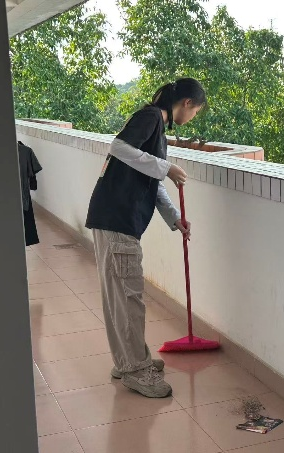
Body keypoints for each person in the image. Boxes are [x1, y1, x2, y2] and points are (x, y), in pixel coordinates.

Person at [85, 78, 206, 398]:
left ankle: (128, 360)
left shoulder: (156, 125)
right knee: (129, 297)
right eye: (196, 111)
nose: (193, 117)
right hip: (118, 219)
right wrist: (166, 166)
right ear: (187, 103)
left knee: (120, 296)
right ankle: (136, 370)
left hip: (112, 217)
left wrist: (174, 218)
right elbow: (118, 147)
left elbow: (150, 181)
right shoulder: (151, 117)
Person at [17, 140, 42, 246]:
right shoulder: (25, 152)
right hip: (23, 196)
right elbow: (34, 171)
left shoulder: (26, 151)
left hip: (22, 196)